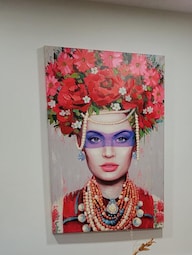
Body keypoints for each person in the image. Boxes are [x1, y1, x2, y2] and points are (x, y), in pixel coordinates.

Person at [45, 47, 165, 233]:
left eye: (121, 138)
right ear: (80, 141)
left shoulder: (156, 209)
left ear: (135, 144)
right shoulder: (60, 212)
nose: (108, 152)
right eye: (94, 139)